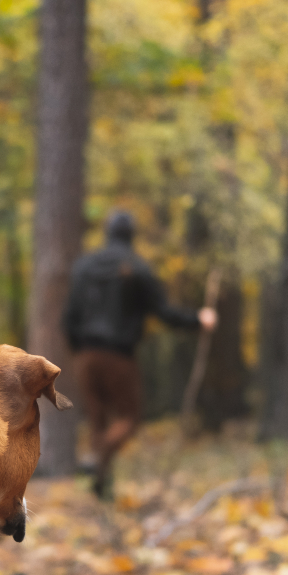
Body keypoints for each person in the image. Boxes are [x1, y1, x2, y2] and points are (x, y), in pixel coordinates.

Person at [63, 210, 217, 500]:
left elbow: (68, 316)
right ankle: (95, 462)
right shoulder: (138, 267)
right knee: (130, 418)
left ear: (108, 233)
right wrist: (198, 319)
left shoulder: (84, 268)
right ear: (132, 235)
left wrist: (79, 351)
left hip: (85, 355)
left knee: (98, 422)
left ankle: (101, 489)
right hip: (119, 356)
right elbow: (164, 313)